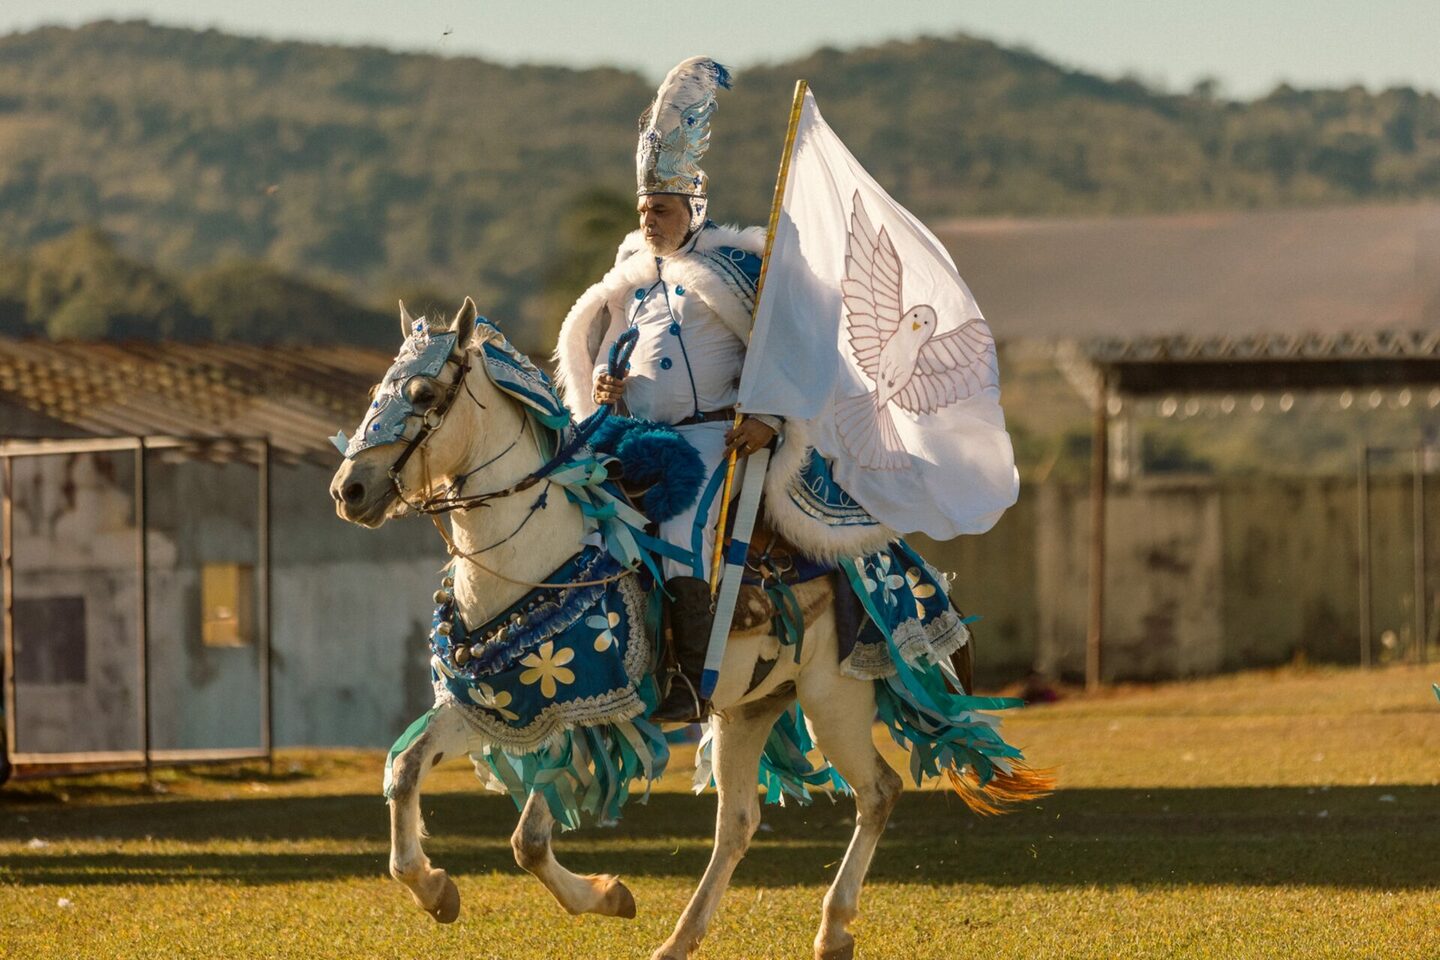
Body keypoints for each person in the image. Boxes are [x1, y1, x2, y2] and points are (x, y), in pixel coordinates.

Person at [553, 57, 777, 720]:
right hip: (634, 435)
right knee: (577, 520)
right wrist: (606, 385)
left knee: (680, 527)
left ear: (693, 209)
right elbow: (612, 346)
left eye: (663, 209)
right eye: (644, 209)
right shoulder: (633, 275)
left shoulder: (738, 268)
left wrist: (770, 417)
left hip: (712, 436)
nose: (650, 219)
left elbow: (784, 353)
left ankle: (693, 682)